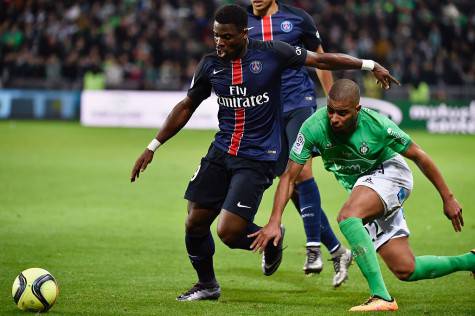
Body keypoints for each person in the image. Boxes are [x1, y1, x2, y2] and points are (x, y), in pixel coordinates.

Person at [130, 5, 398, 302]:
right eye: (216, 36)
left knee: (229, 232)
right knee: (194, 221)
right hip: (221, 151)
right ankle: (207, 285)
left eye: (227, 37)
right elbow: (186, 107)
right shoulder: (209, 65)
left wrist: (368, 64)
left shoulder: (272, 53)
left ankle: (275, 239)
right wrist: (152, 146)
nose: (220, 42)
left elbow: (320, 59)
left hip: (258, 156)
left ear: (244, 34)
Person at [249, 79, 475, 311]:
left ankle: (381, 297)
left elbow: (419, 155)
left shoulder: (377, 125)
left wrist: (448, 197)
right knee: (406, 269)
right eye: (331, 111)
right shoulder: (313, 127)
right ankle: (471, 260)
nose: (335, 118)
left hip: (391, 174)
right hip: (364, 187)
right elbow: (289, 176)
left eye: (343, 113)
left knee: (348, 217)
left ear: (357, 109)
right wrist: (275, 219)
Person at [247, 0, 351, 285]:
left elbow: (321, 59)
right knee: (288, 182)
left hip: (298, 102)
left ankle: (313, 249)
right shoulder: (241, 21)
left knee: (301, 170)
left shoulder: (298, 19)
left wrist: (332, 104)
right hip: (265, 111)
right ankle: (337, 250)